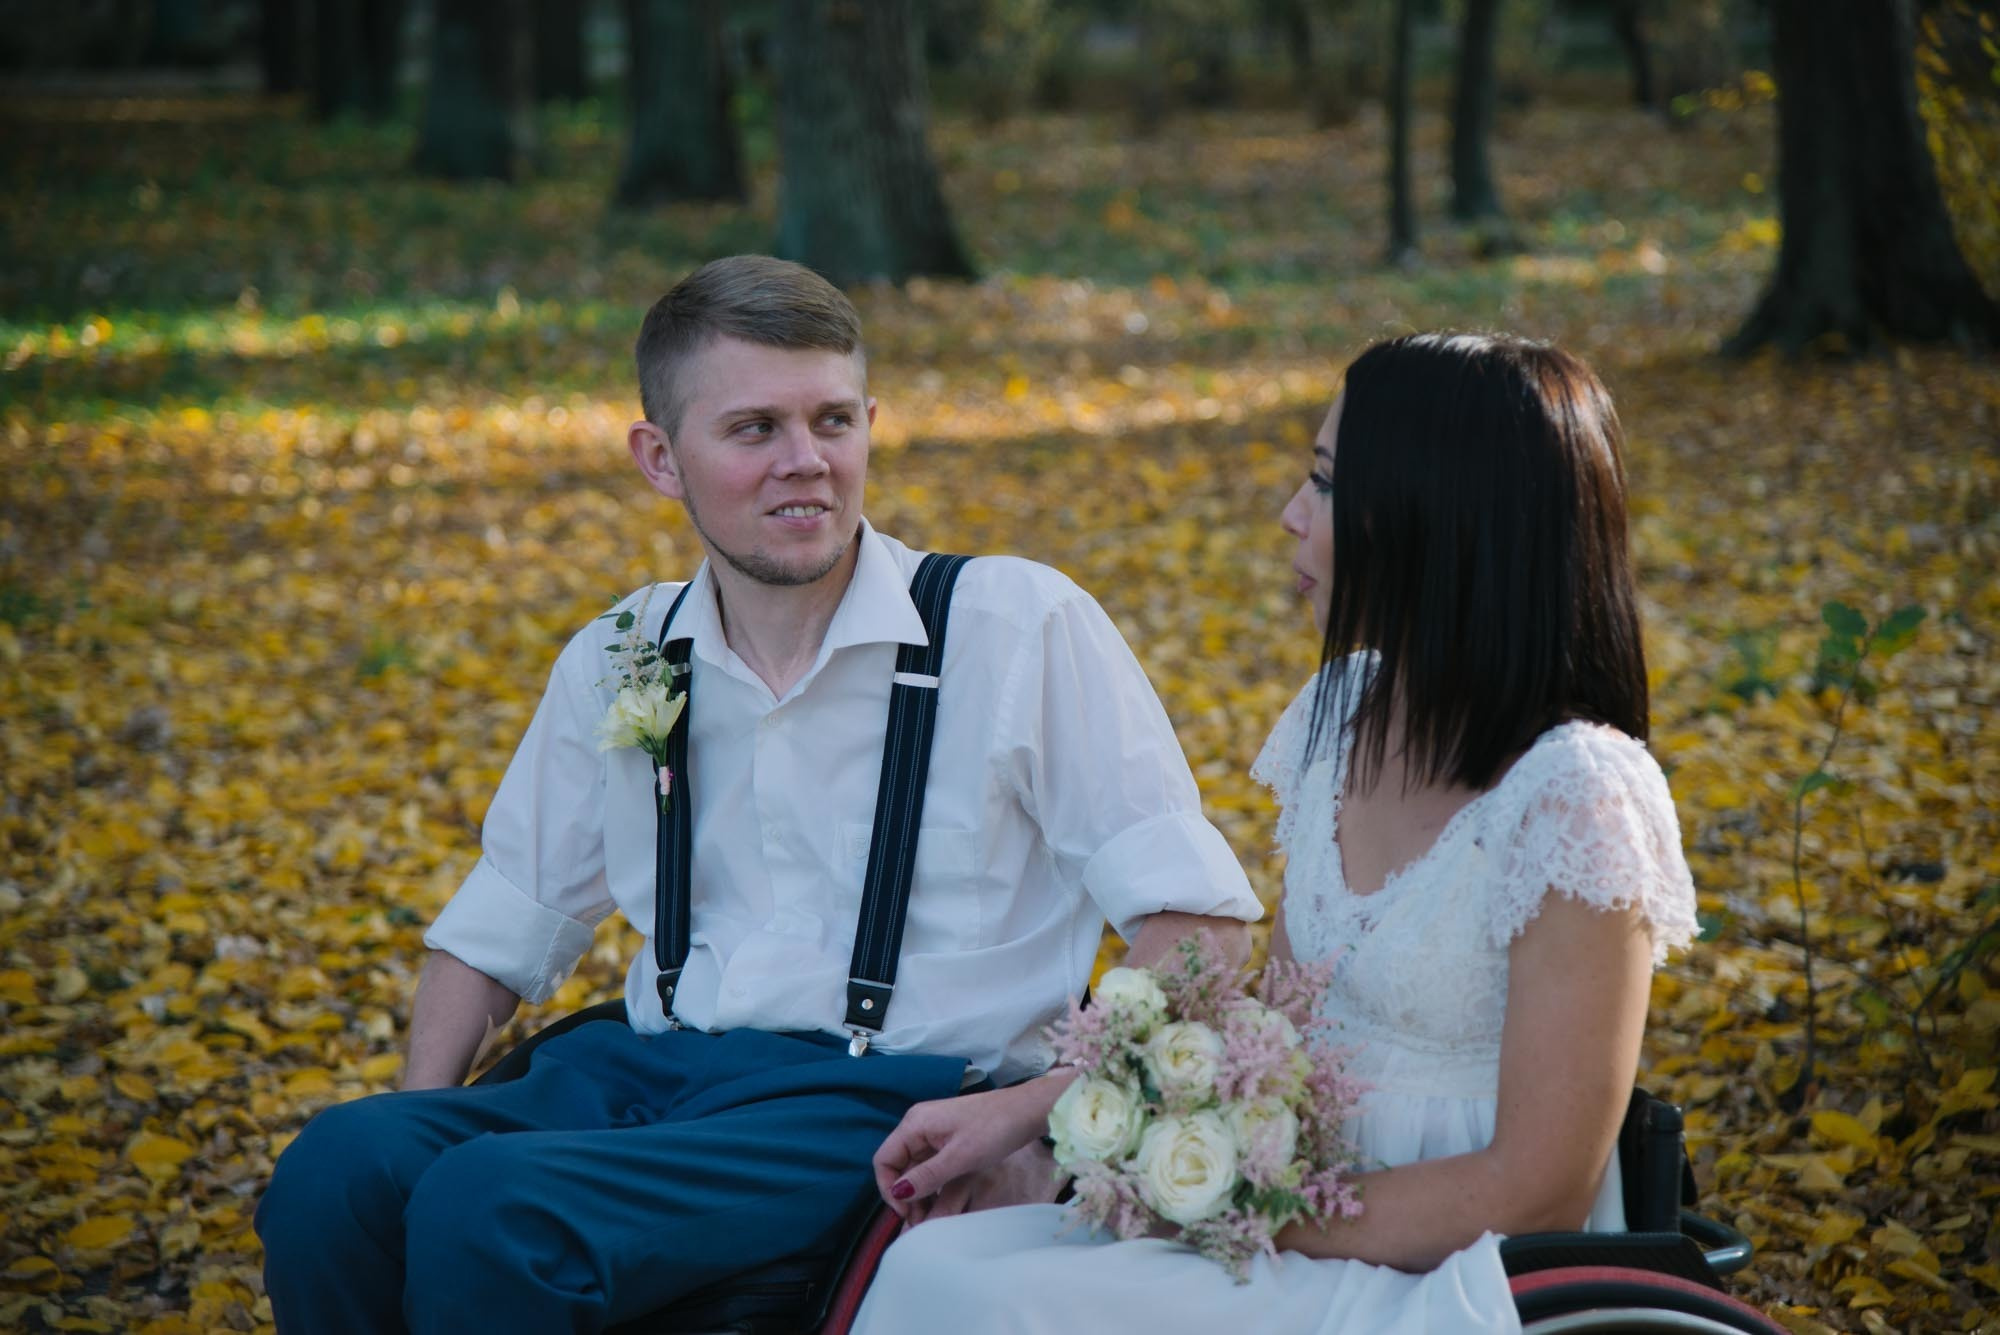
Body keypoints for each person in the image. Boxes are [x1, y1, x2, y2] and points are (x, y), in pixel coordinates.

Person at [253, 255, 1261, 1334]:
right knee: (340, 1168)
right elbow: (503, 917)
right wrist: (421, 1112)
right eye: (753, 431)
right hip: (647, 1075)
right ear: (659, 458)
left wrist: (1035, 1114)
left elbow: (1197, 924)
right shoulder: (624, 649)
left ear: (872, 422)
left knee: (494, 1208)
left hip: (877, 1096)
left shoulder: (1013, 625)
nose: (807, 464)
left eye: (833, 421)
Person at [853, 332, 1700, 1334]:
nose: (1289, 517)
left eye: (1327, 484)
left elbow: (1536, 1190)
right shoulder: (1340, 713)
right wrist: (1060, 1131)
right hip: (1284, 1206)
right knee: (935, 1267)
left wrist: (1243, 1212)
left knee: (991, 1300)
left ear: (1440, 518)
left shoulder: (1578, 797)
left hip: (1456, 1272)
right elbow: (1280, 1028)